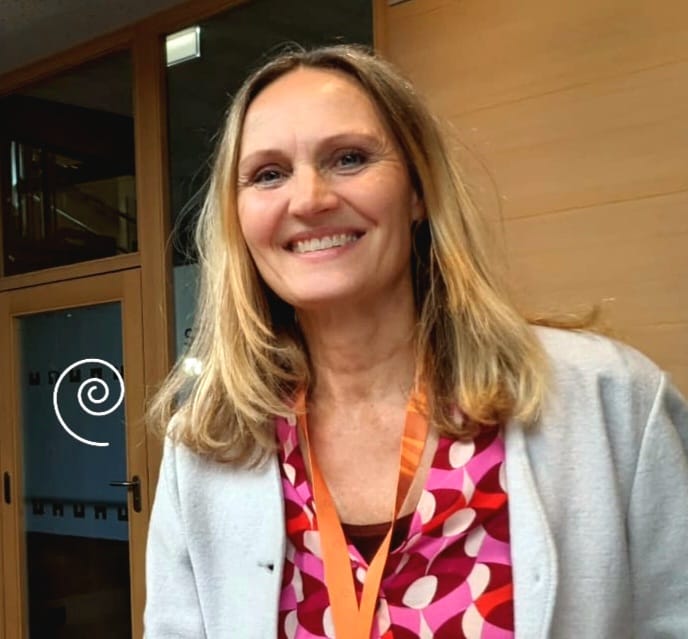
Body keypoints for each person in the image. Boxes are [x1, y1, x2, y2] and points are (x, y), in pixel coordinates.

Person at [144, 45, 688, 638]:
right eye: (269, 174)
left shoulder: (608, 401)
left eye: (349, 159)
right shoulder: (206, 448)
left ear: (418, 191)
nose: (310, 200)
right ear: (238, 217)